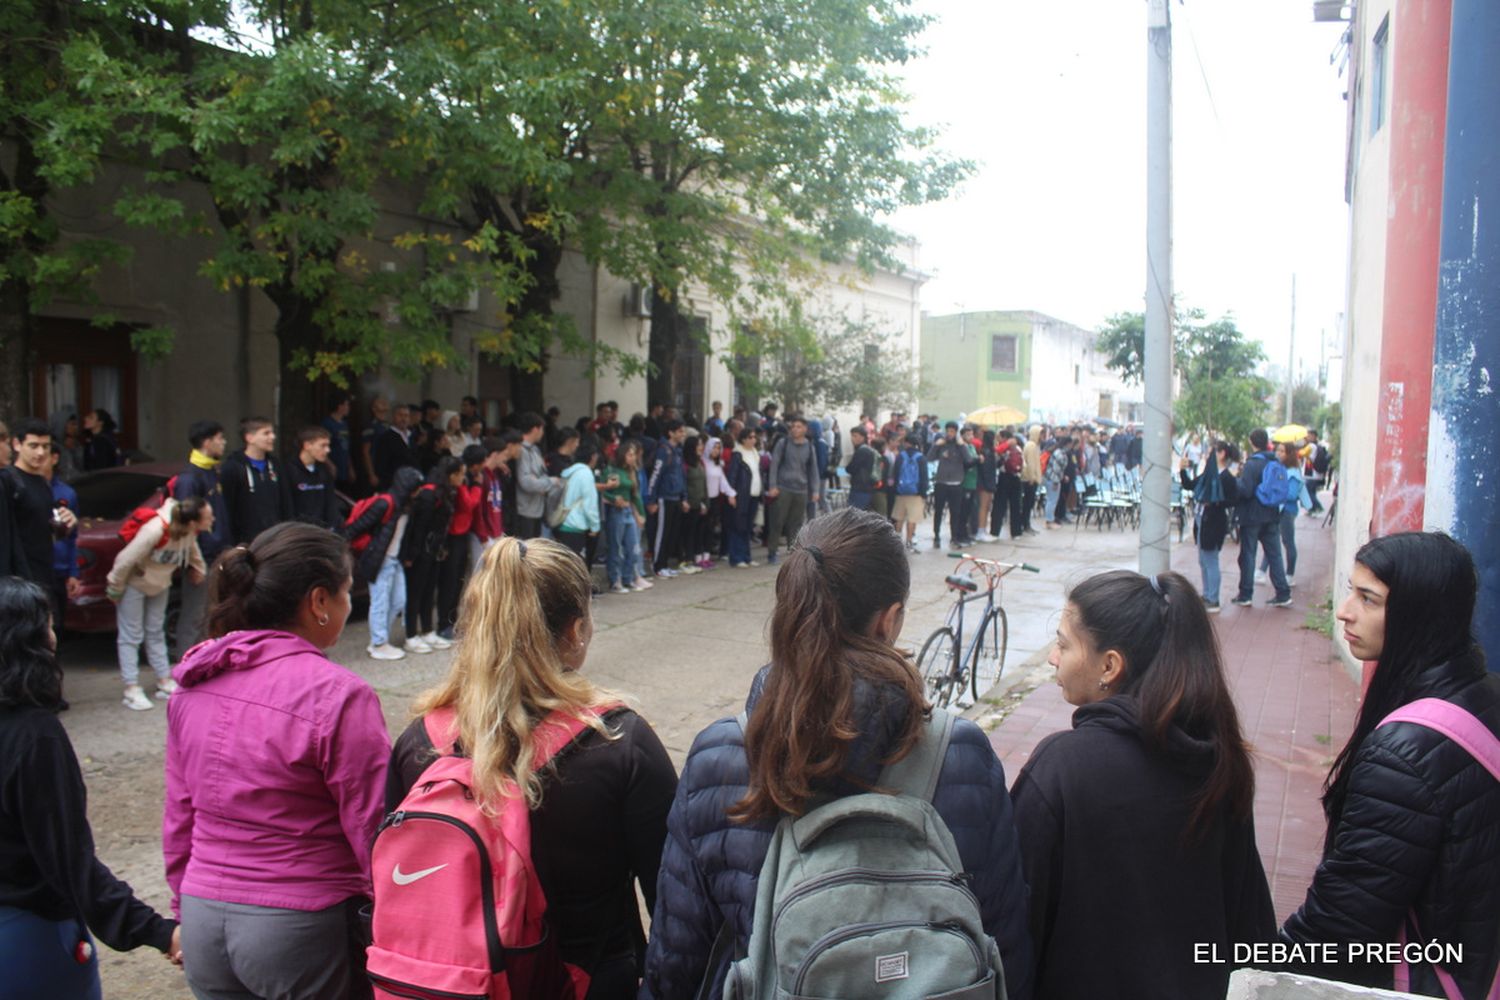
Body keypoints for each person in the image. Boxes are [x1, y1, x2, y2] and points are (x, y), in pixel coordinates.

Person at [639, 508, 1033, 999]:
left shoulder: (718, 756)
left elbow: (677, 961)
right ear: (889, 620)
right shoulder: (960, 754)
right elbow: (1005, 944)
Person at [386, 537, 677, 999]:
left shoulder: (419, 742)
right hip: (589, 979)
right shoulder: (621, 744)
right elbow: (673, 904)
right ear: (577, 630)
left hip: (457, 984)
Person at [1011, 569, 1274, 998]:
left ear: (1110, 666)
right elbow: (1250, 922)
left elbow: (1016, 921)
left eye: (1063, 644)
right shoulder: (1218, 760)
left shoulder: (1062, 767)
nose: (1052, 658)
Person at [164, 523, 389, 999]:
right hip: (300, 922)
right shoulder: (337, 695)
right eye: (347, 592)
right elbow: (371, 822)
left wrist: (183, 910)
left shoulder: (195, 682)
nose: (350, 605)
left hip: (205, 914)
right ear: (318, 602)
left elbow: (180, 815)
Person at [1280, 532, 1500, 996]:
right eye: (1351, 591)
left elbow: (1340, 925)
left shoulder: (1404, 754)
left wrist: (1259, 971)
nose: (1344, 611)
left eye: (1369, 599)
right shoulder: (1482, 693)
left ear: (1420, 615)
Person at [0, 578, 182, 997]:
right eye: (48, 625)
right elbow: (69, 862)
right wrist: (159, 932)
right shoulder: (34, 737)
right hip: (30, 941)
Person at [107, 496, 211, 710]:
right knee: (131, 634)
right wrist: (115, 587)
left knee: (155, 631)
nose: (213, 519)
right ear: (193, 522)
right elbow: (125, 559)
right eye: (209, 517)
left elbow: (193, 553)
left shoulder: (188, 532)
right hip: (134, 583)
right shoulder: (155, 530)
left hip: (159, 584)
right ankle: (131, 686)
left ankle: (164, 679)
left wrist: (200, 571)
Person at [345, 465, 425, 661]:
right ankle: (378, 643)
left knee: (398, 601)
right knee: (379, 602)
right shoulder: (385, 504)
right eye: (417, 487)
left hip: (394, 560)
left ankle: (382, 639)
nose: (419, 491)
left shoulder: (406, 506)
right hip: (379, 560)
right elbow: (356, 528)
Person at [0, 420, 78, 607]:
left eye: (46, 446)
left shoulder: (43, 483)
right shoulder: (8, 481)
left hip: (44, 575)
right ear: (17, 445)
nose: (41, 453)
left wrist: (65, 523)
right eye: (34, 446)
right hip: (18, 581)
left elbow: (46, 530)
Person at [172, 420, 231, 654]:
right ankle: (186, 666)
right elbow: (183, 524)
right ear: (207, 442)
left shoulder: (212, 472)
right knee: (194, 615)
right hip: (201, 558)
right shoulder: (189, 478)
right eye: (220, 438)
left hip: (218, 553)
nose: (223, 443)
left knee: (213, 613)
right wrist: (192, 563)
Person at [401, 458, 459, 654]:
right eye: (460, 474)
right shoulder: (428, 495)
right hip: (421, 551)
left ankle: (427, 630)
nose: (463, 478)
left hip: (435, 550)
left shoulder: (444, 493)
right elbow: (419, 529)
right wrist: (412, 554)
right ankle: (411, 634)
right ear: (452, 475)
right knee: (415, 593)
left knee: (428, 592)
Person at [1233, 428, 1293, 609]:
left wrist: (1236, 480)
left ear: (1252, 442)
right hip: (1272, 514)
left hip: (1252, 516)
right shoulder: (1274, 460)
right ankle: (1283, 593)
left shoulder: (1252, 464)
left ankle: (1246, 594)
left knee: (1248, 555)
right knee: (1275, 555)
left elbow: (1246, 490)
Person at [1182, 441, 1239, 613]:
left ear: (1221, 454)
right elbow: (1189, 485)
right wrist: (1182, 470)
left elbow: (1233, 500)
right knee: (1203, 559)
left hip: (1214, 522)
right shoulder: (1208, 474)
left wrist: (1215, 502)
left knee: (1210, 559)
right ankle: (1207, 594)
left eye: (1211, 453)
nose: (1207, 456)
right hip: (1202, 520)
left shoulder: (1227, 478)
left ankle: (1213, 598)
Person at [219, 416, 289, 545]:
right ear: (249, 438)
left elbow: (285, 501)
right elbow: (227, 507)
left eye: (272, 433)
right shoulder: (233, 467)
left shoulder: (276, 465)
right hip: (245, 540)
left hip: (274, 538)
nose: (272, 437)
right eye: (266, 433)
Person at [763, 414, 819, 564]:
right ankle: (772, 552)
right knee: (777, 521)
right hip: (783, 488)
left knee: (796, 524)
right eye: (793, 426)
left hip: (801, 490)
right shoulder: (783, 443)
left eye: (799, 426)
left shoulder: (809, 446)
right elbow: (774, 465)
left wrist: (815, 490)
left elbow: (813, 470)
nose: (795, 429)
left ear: (805, 429)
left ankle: (793, 552)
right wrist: (772, 486)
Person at [1259, 441, 1313, 588]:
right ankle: (1261, 571)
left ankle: (1289, 575)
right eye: (1278, 450)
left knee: (1287, 542)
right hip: (1279, 510)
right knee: (1273, 541)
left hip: (1287, 511)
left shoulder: (1293, 473)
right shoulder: (1279, 469)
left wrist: (1276, 490)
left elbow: (1292, 494)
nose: (1279, 453)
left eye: (1282, 451)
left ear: (1289, 454)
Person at [602, 439, 649, 592]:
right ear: (623, 455)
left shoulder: (631, 472)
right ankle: (615, 580)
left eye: (634, 455)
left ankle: (628, 578)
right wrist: (613, 499)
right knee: (616, 548)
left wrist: (641, 514)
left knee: (633, 547)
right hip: (616, 512)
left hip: (629, 511)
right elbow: (603, 491)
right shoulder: (611, 470)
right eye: (629, 455)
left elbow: (635, 495)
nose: (633, 458)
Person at [646, 419, 689, 577]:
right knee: (662, 533)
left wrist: (684, 497)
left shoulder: (677, 451)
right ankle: (658, 565)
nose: (683, 434)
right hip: (664, 498)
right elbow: (655, 476)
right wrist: (651, 500)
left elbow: (681, 476)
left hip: (675, 497)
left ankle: (664, 564)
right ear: (671, 433)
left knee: (671, 533)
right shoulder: (664, 450)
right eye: (680, 431)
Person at [45, 444, 80, 628]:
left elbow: (73, 536)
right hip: (37, 568)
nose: (40, 454)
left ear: (55, 458)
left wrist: (73, 572)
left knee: (58, 625)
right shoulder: (19, 487)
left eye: (45, 448)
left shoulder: (67, 493)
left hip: (60, 568)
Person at [554, 440, 604, 562]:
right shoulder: (586, 474)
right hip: (576, 526)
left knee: (565, 565)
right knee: (576, 567)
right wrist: (595, 526)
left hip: (563, 522)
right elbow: (590, 505)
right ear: (593, 457)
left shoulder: (570, 471)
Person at [284, 426, 340, 529]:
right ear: (307, 445)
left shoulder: (324, 471)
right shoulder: (288, 470)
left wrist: (332, 526)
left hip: (321, 530)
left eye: (328, 445)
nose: (327, 450)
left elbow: (330, 503)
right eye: (323, 445)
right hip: (297, 531)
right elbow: (287, 506)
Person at [926, 421, 968, 551]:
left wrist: (962, 446)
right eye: (948, 431)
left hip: (956, 483)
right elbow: (929, 458)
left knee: (955, 512)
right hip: (941, 483)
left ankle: (954, 538)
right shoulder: (941, 445)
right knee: (938, 511)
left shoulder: (960, 446)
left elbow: (968, 460)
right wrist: (935, 446)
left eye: (952, 431)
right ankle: (936, 536)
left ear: (956, 432)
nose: (950, 434)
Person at [724, 428, 761, 568]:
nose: (753, 440)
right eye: (750, 437)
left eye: (754, 437)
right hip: (742, 495)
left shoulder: (754, 453)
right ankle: (736, 557)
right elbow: (732, 476)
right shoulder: (738, 454)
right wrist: (731, 494)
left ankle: (746, 556)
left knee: (747, 527)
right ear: (743, 439)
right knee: (737, 526)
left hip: (754, 494)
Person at [514, 411, 553, 540]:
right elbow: (526, 481)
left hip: (538, 508)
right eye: (542, 429)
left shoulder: (536, 450)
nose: (542, 433)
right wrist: (549, 482)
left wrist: (540, 482)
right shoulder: (521, 450)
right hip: (524, 509)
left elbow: (541, 474)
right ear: (535, 429)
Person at [889, 432, 928, 551]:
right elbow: (923, 477)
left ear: (906, 443)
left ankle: (897, 541)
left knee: (899, 517)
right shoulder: (921, 457)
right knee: (912, 519)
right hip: (915, 493)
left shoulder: (900, 456)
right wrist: (923, 494)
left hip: (901, 492)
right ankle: (909, 542)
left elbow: (895, 474)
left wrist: (895, 490)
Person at [371, 403, 417, 490]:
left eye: (406, 416)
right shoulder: (386, 437)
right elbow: (381, 464)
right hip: (393, 484)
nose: (403, 419)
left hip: (410, 484)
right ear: (393, 417)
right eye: (400, 415)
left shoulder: (411, 437)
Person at [321, 391, 354, 491]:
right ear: (340, 406)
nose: (348, 407)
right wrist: (330, 464)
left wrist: (350, 467)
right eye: (347, 404)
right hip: (332, 467)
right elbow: (322, 446)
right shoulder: (327, 424)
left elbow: (346, 447)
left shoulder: (344, 424)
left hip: (344, 468)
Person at [358, 395, 390, 493]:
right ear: (374, 408)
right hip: (375, 468)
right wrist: (371, 474)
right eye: (380, 403)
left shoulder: (388, 426)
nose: (384, 404)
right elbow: (366, 451)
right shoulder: (370, 426)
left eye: (385, 402)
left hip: (387, 469)